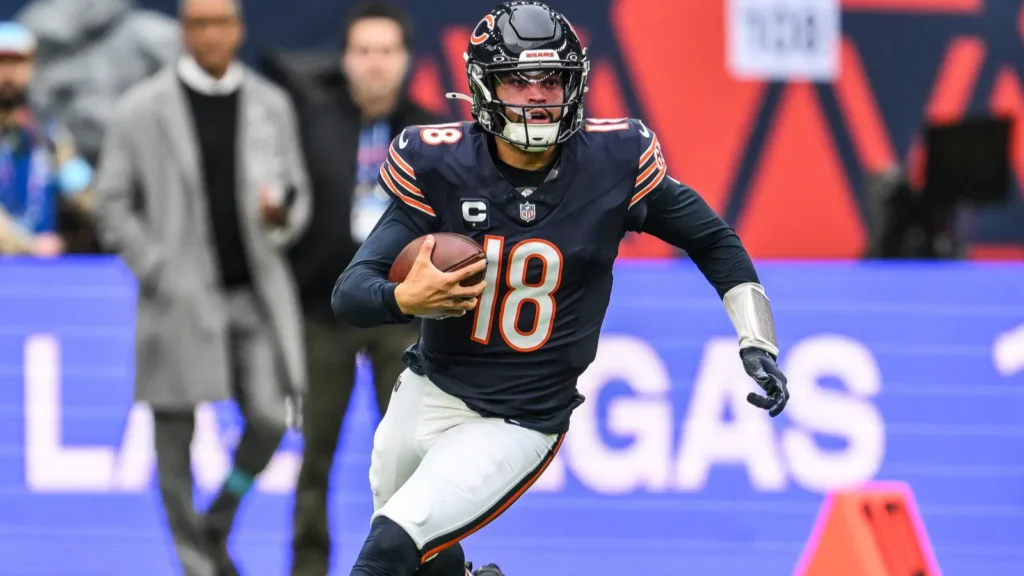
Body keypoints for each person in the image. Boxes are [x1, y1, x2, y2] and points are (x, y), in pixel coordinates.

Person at [332, 3, 790, 576]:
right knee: (423, 561)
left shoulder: (612, 160)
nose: (537, 96)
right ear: (482, 85)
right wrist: (403, 300)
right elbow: (350, 292)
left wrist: (757, 340)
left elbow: (712, 239)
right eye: (517, 82)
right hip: (429, 391)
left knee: (388, 551)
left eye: (551, 79)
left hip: (520, 417)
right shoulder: (441, 163)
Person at [91, 0, 311, 574]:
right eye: (197, 22)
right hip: (178, 298)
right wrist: (155, 264)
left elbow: (297, 196)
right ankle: (196, 562)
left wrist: (278, 214)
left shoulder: (270, 104)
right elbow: (110, 201)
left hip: (254, 294)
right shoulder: (141, 109)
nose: (210, 34)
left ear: (238, 30)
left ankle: (218, 518)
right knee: (173, 439)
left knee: (269, 417)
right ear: (183, 31)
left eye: (220, 22)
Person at [278, 4, 443, 574]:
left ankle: (411, 563)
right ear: (346, 58)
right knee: (313, 453)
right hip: (323, 313)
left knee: (407, 457)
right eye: (363, 51)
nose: (374, 64)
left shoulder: (431, 136)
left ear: (405, 60)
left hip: (402, 317)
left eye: (386, 52)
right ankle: (308, 565)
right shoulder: (309, 122)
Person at [0, 21, 92, 257]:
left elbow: (84, 195)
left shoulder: (46, 132)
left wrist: (89, 197)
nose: (9, 72)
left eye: (19, 62)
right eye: (1, 62)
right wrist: (27, 245)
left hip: (43, 274)